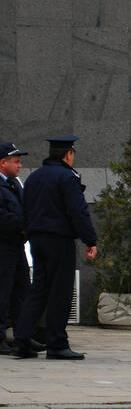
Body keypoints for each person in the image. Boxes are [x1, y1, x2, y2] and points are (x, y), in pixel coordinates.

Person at [11, 136, 98, 360]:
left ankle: (22, 339)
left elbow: (25, 208)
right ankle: (57, 343)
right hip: (59, 240)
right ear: (68, 154)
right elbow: (77, 211)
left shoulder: (34, 177)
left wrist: (30, 232)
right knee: (60, 291)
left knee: (38, 289)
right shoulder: (67, 177)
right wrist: (90, 240)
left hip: (36, 239)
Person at [0, 143, 32, 355]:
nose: (20, 165)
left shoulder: (13, 184)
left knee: (22, 291)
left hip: (16, 245)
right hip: (4, 245)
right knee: (2, 292)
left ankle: (23, 337)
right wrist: (23, 226)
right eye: (16, 161)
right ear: (3, 163)